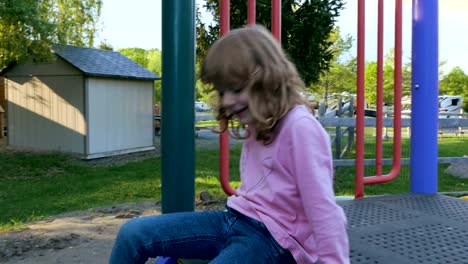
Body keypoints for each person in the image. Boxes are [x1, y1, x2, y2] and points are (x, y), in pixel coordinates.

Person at [109, 25, 349, 264]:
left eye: (235, 89)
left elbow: (323, 210)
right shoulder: (259, 121)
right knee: (133, 234)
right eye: (223, 92)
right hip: (235, 219)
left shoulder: (300, 128)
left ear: (268, 78)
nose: (228, 101)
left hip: (276, 240)